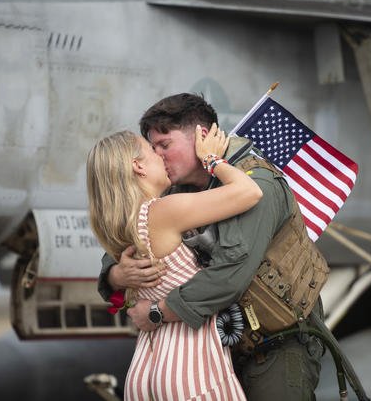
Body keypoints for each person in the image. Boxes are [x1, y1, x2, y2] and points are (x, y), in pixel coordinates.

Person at [98, 93, 325, 400]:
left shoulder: (258, 182)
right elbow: (130, 238)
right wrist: (117, 275)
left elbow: (229, 273)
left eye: (164, 145)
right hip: (215, 346)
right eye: (152, 148)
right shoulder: (175, 192)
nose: (157, 156)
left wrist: (155, 312)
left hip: (275, 344)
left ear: (202, 137)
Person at [87, 125, 263, 400]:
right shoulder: (164, 212)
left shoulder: (119, 225)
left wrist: (115, 276)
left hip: (146, 365)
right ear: (138, 167)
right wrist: (211, 158)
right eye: (151, 151)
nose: (161, 156)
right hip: (192, 368)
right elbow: (250, 192)